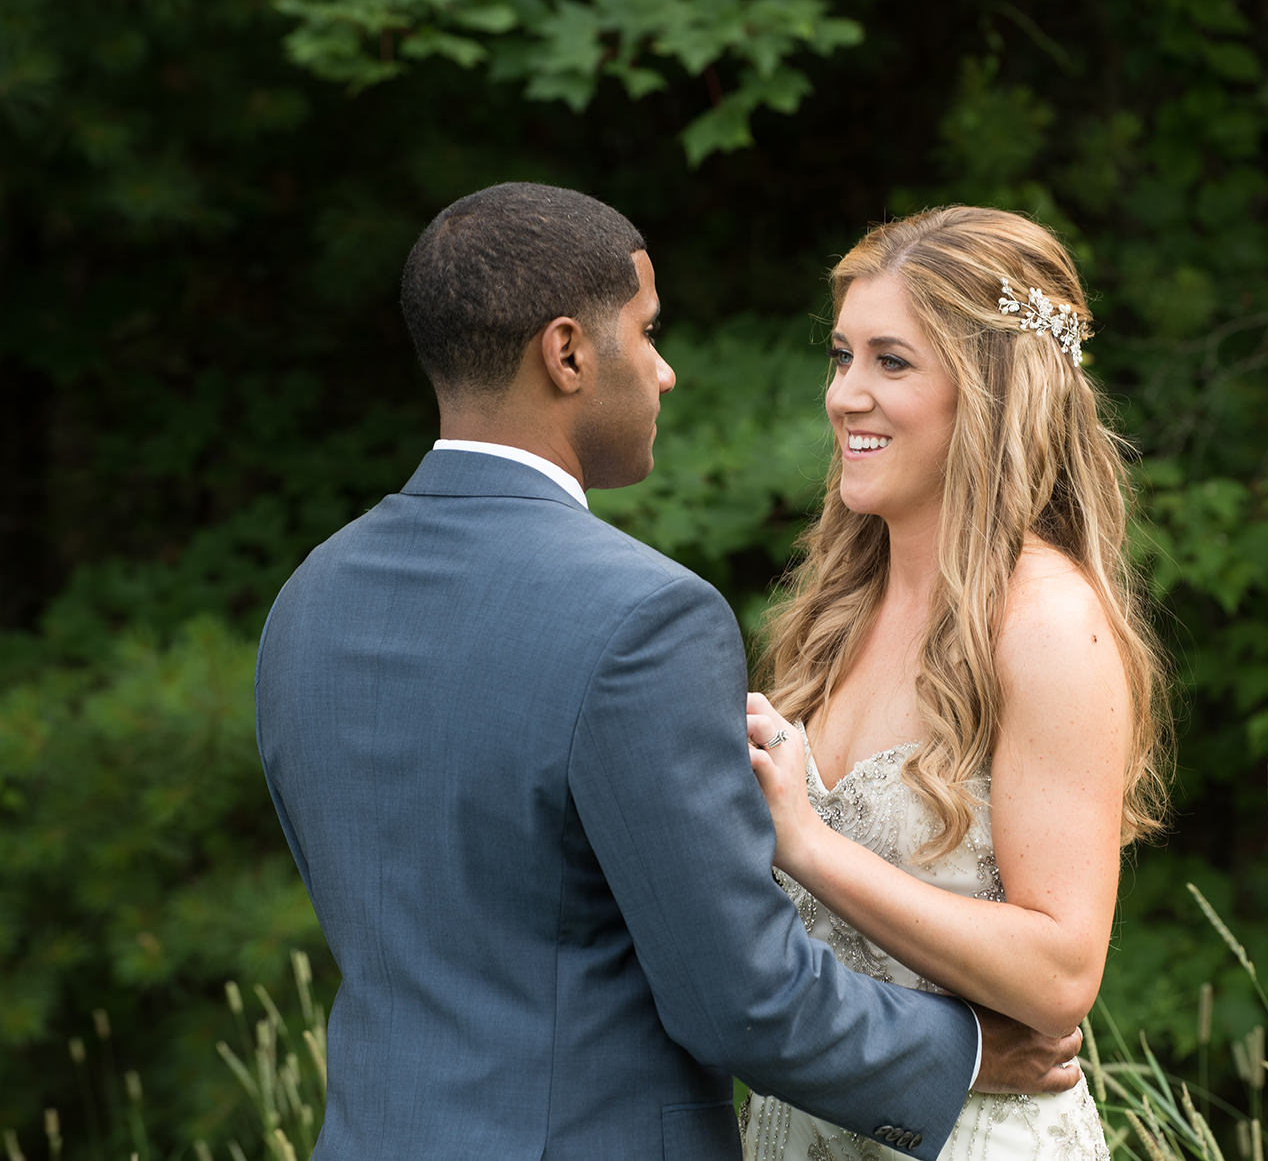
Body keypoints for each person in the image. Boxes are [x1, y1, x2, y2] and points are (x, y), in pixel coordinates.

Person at [253, 182, 1082, 1161]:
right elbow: (740, 997)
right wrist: (964, 1051)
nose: (665, 370)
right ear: (566, 353)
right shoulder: (642, 616)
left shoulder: (309, 600)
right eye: (646, 334)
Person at [739, 206, 1171, 1159]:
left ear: (990, 393)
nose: (845, 394)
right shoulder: (832, 616)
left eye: (891, 361)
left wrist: (809, 848)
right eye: (842, 355)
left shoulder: (1047, 624)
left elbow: (1061, 974)